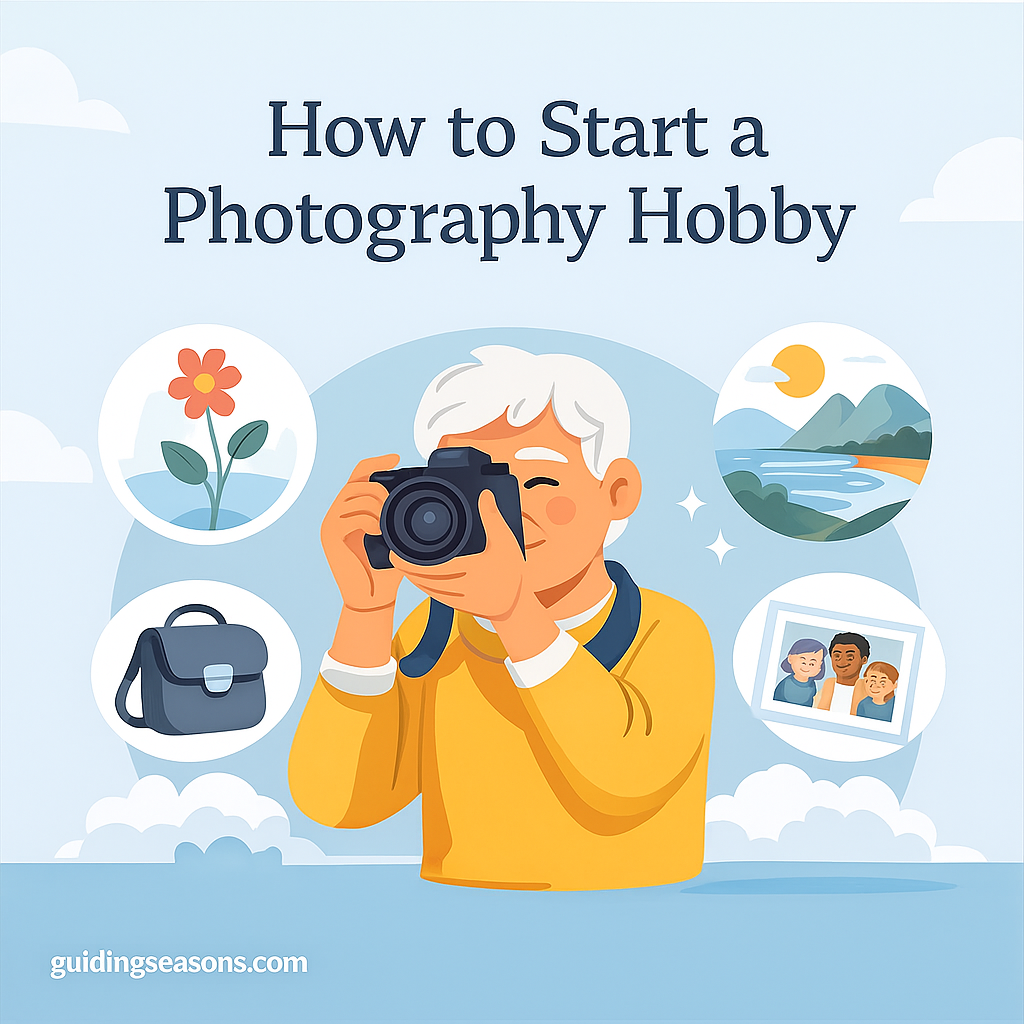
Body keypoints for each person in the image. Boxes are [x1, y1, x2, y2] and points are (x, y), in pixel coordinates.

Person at [288, 346, 715, 891]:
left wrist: (516, 614)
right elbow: (341, 803)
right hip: (462, 911)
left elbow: (625, 778)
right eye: (470, 494)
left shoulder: (667, 630)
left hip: (632, 910)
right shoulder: (434, 631)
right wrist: (364, 612)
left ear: (617, 493)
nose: (501, 517)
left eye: (537, 484)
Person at [813, 632, 870, 714]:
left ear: (864, 660)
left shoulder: (869, 692)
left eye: (850, 658)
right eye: (837, 656)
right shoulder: (824, 689)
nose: (842, 662)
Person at [773, 639, 827, 706]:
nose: (806, 667)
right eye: (803, 662)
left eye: (812, 664)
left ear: (820, 666)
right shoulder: (786, 684)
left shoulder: (812, 685)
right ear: (790, 658)